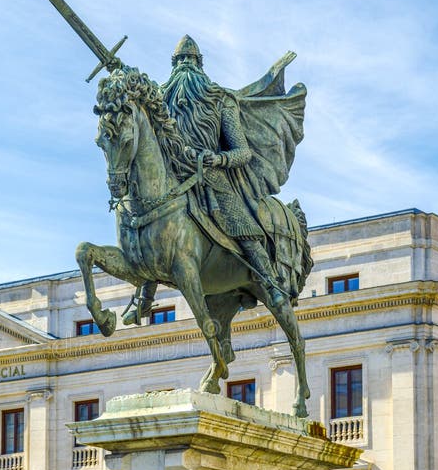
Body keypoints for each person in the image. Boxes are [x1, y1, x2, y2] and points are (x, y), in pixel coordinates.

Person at [123, 35, 303, 324]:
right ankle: (144, 298)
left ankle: (269, 280)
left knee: (242, 223)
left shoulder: (221, 100)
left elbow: (242, 152)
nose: (184, 66)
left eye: (188, 60)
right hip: (174, 176)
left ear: (199, 65)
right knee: (148, 215)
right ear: (173, 66)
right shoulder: (159, 99)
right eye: (180, 61)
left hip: (214, 178)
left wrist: (216, 159)